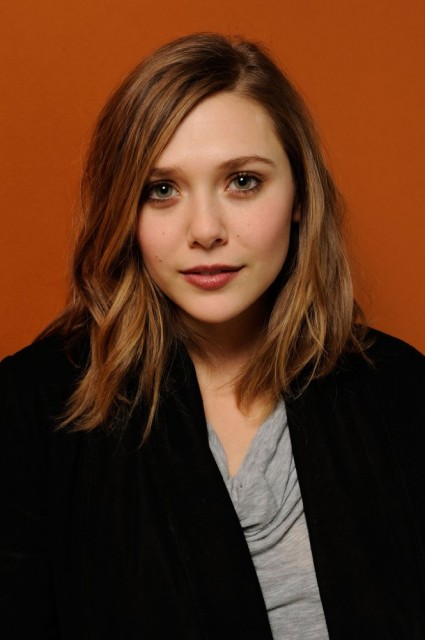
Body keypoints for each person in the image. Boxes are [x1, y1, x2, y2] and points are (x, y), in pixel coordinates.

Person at [1, 32, 424, 640]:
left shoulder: (402, 391)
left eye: (243, 181)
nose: (205, 230)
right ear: (124, 210)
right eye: (162, 189)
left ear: (299, 195)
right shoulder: (30, 410)